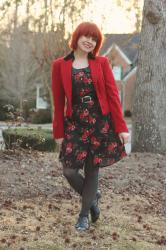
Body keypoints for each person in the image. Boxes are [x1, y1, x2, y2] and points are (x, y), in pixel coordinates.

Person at [51, 22, 129, 232]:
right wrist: (58, 131)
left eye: (94, 39)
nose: (89, 41)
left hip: (99, 123)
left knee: (92, 170)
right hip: (74, 125)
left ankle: (84, 216)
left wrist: (122, 128)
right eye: (86, 36)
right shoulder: (60, 64)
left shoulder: (101, 63)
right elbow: (59, 101)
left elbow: (113, 95)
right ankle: (93, 198)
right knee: (69, 171)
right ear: (76, 37)